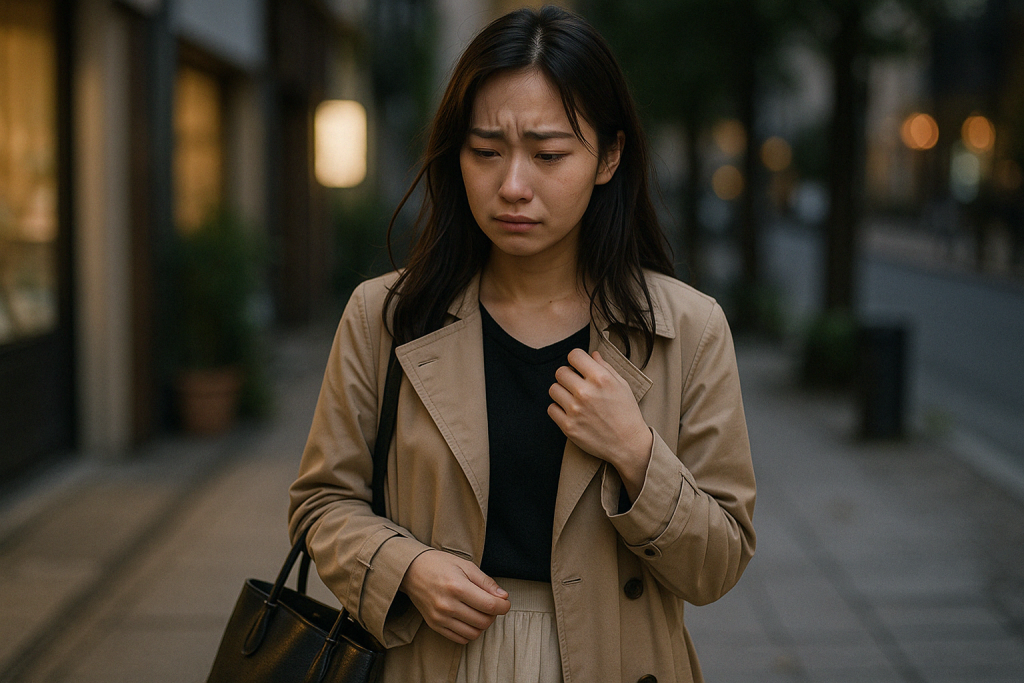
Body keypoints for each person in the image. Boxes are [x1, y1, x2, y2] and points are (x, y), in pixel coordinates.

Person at [288, 6, 756, 682]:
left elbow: (717, 562)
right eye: (485, 151)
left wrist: (636, 451)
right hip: (435, 659)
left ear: (609, 156)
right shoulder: (387, 316)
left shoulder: (688, 328)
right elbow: (320, 503)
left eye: (548, 154)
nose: (512, 185)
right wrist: (405, 567)